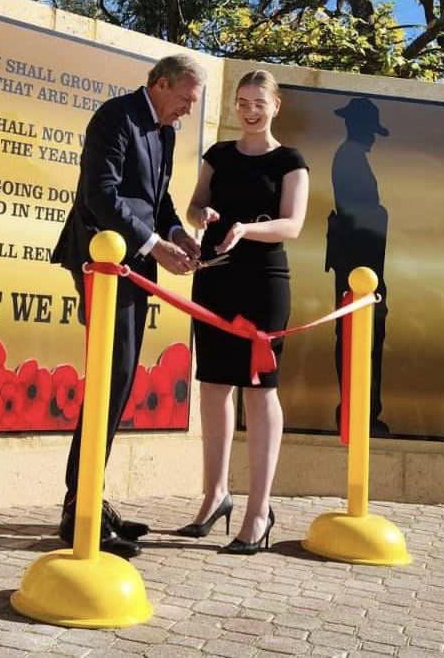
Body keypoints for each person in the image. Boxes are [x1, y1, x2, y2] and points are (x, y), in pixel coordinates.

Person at [51, 54, 205, 558]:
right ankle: (79, 512)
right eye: (184, 99)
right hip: (102, 263)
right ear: (159, 84)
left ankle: (88, 497)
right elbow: (100, 196)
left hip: (135, 265)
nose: (187, 110)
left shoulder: (165, 133)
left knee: (119, 380)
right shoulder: (115, 117)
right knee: (110, 377)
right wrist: (155, 246)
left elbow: (158, 201)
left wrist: (177, 233)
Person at [178, 69, 308, 554]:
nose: (250, 111)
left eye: (259, 103)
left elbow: (292, 225)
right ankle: (215, 496)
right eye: (243, 102)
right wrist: (204, 216)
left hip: (263, 284)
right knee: (213, 386)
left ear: (276, 106)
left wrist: (245, 229)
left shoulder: (291, 161)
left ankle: (258, 511)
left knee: (259, 389)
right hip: (215, 278)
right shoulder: (218, 154)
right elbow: (194, 206)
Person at [326, 96, 391, 436]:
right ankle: (359, 411)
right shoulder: (350, 159)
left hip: (361, 264)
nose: (372, 138)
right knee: (359, 337)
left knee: (364, 337)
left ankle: (362, 410)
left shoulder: (351, 158)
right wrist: (381, 215)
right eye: (370, 130)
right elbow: (360, 215)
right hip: (358, 267)